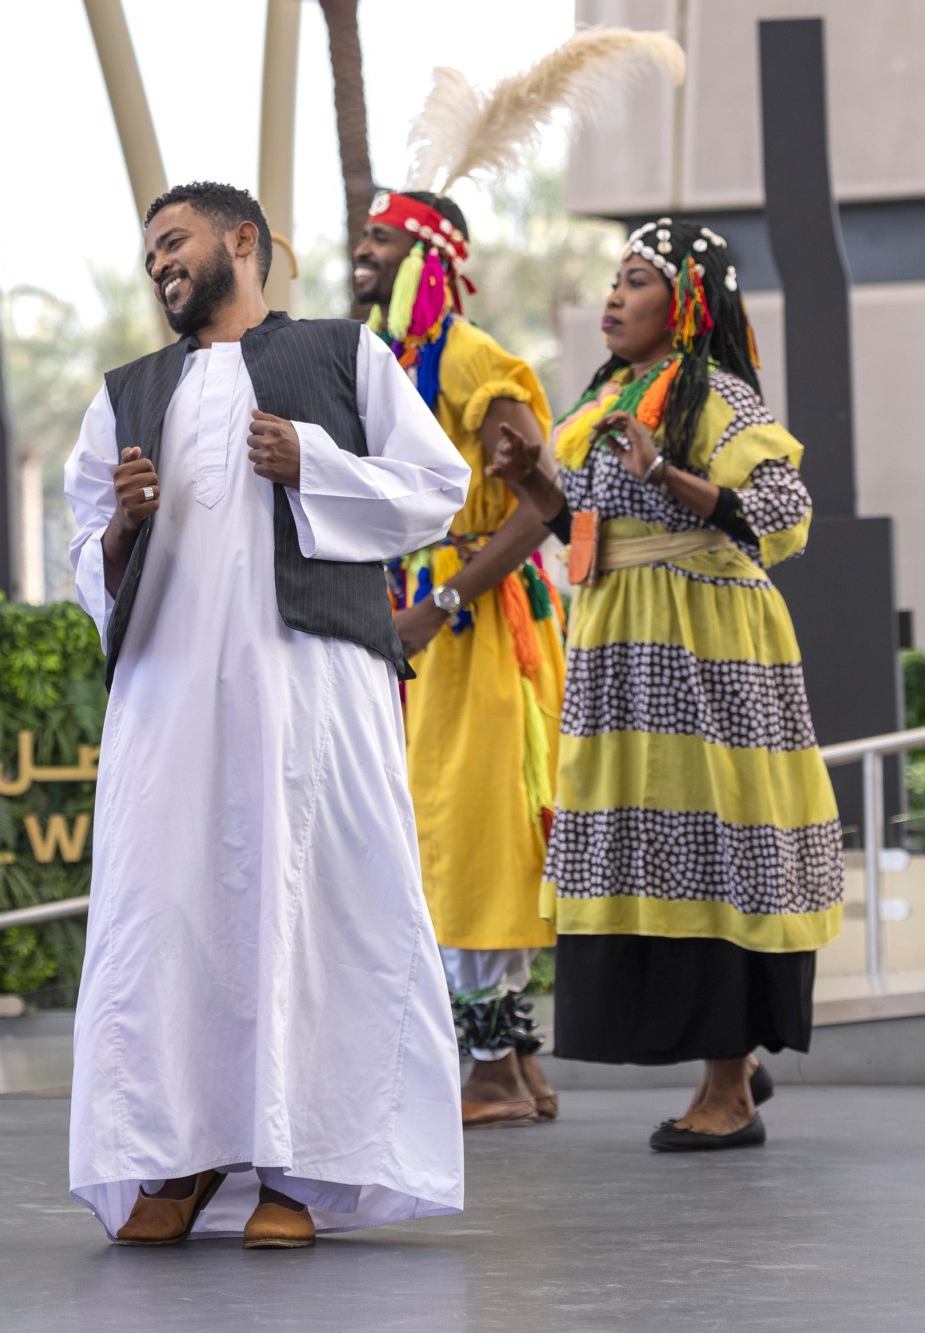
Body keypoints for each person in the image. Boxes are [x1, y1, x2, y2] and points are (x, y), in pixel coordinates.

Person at [63, 181, 470, 1251]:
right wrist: (117, 530)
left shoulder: (341, 355)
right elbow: (79, 547)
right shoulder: (127, 390)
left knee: (314, 907)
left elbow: (436, 484)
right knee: (172, 911)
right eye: (149, 250)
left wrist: (314, 465)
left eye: (175, 241)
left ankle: (306, 1172)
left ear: (242, 242)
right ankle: (180, 1156)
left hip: (310, 690)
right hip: (167, 697)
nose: (159, 263)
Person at [490, 219, 841, 1151]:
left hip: (703, 640)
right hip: (618, 638)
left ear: (683, 301)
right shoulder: (609, 390)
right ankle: (726, 1061)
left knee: (713, 834)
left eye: (636, 280)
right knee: (648, 842)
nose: (613, 295)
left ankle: (728, 1087)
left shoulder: (714, 395)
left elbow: (781, 510)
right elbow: (583, 531)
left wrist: (668, 471)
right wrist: (531, 478)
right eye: (613, 278)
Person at [354, 188, 565, 1128]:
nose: (363, 251)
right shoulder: (398, 362)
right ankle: (516, 1066)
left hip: (473, 628)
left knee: (472, 837)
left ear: (428, 255)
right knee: (440, 833)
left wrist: (437, 606)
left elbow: (543, 505)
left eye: (381, 238)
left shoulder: (475, 361)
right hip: (429, 625)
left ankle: (488, 1069)